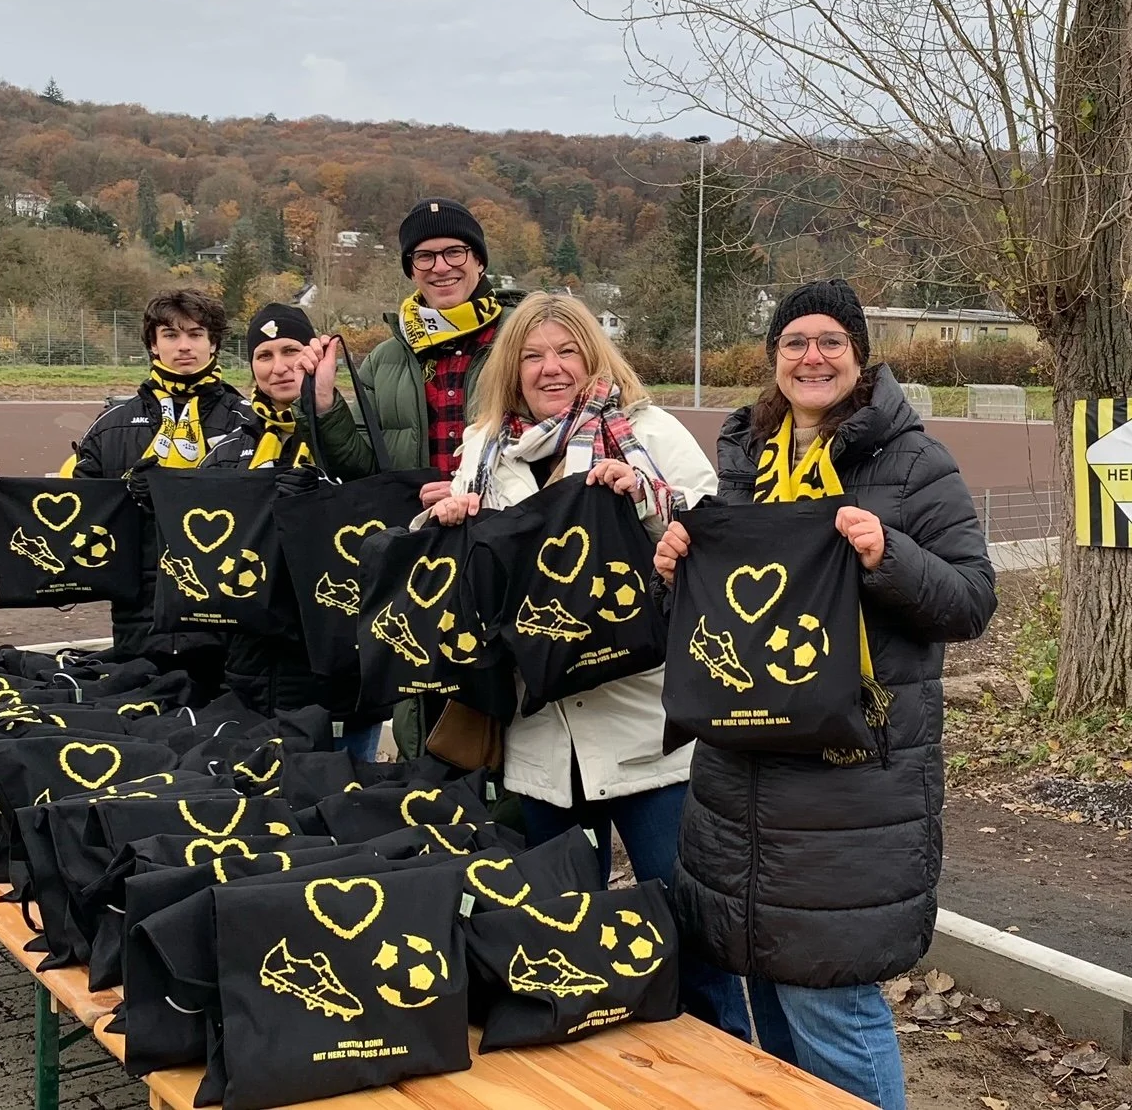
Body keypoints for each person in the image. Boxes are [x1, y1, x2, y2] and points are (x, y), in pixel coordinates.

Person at [653, 280, 997, 1109]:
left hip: (851, 787)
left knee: (830, 1003)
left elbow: (971, 599)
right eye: (795, 342)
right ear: (773, 360)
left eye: (831, 341)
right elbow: (725, 620)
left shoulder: (915, 463)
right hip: (741, 778)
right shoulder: (742, 467)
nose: (813, 356)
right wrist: (669, 574)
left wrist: (888, 558)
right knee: (766, 997)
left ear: (859, 354)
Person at [427, 291, 750, 1042]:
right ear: (512, 367)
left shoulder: (643, 430)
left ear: (593, 357)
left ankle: (726, 1072)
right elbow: (471, 572)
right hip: (542, 741)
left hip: (646, 735)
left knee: (693, 936)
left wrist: (641, 505)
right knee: (562, 944)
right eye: (534, 355)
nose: (551, 368)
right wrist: (442, 524)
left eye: (566, 351)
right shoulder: (487, 447)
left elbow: (714, 535)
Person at [296, 196, 523, 759]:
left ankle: (532, 834)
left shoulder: (521, 343)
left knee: (518, 704)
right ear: (409, 267)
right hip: (424, 551)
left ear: (479, 261)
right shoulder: (386, 360)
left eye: (455, 252)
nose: (440, 266)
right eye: (424, 256)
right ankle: (439, 825)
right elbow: (360, 466)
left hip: (509, 541)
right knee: (428, 699)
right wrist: (321, 403)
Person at [201, 302, 381, 759]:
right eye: (264, 355)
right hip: (254, 664)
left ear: (315, 356)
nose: (279, 367)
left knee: (346, 795)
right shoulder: (226, 451)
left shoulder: (352, 435)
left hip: (336, 660)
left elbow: (373, 496)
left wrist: (316, 494)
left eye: (291, 350)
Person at [72, 290, 251, 686]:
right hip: (140, 625)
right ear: (153, 345)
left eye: (196, 334)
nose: (184, 346)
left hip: (228, 627)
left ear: (214, 343)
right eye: (170, 335)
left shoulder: (249, 423)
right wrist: (126, 496)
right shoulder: (109, 428)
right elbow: (82, 523)